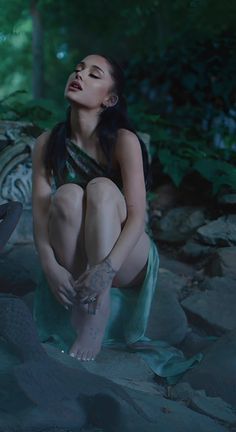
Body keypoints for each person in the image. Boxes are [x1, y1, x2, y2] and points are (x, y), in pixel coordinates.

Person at [32, 53, 159, 362]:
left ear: (110, 99)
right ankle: (83, 299)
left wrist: (107, 268)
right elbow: (39, 216)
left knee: (101, 189)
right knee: (67, 196)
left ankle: (96, 312)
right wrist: (50, 267)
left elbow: (138, 217)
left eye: (94, 74)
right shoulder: (47, 143)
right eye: (78, 69)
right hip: (75, 254)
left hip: (126, 255)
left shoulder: (123, 141)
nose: (80, 75)